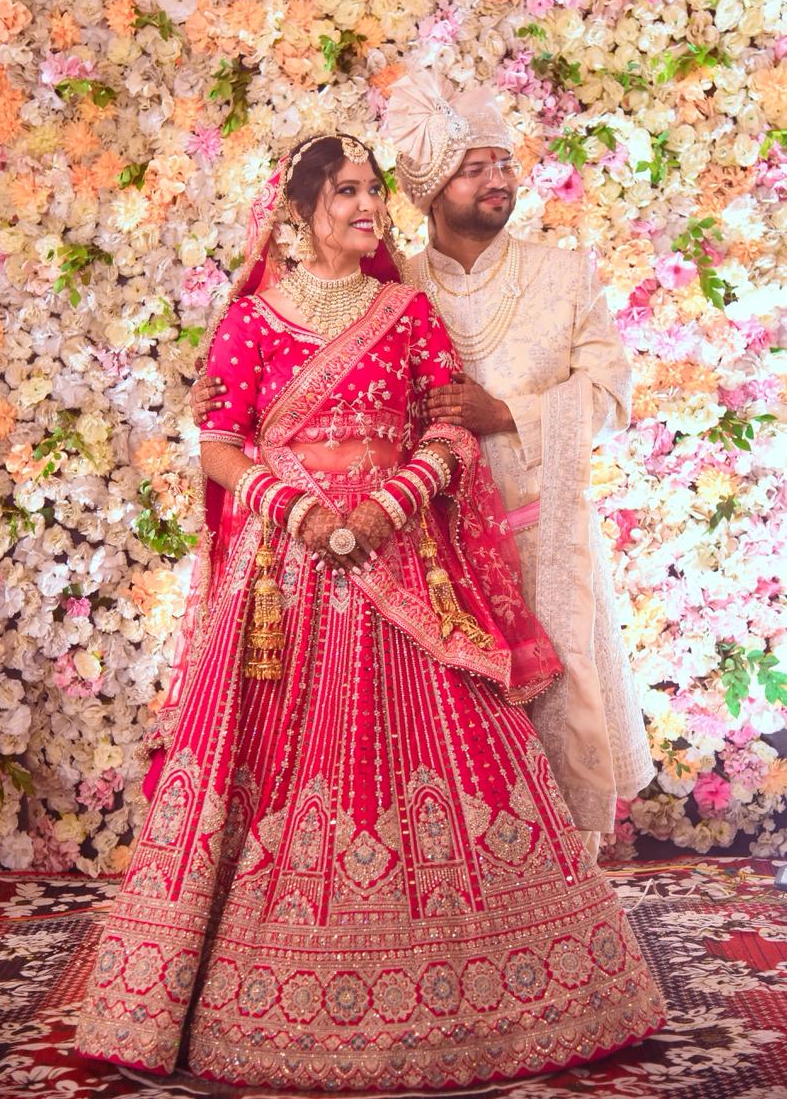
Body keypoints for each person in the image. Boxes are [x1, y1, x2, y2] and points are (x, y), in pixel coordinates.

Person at [76, 135, 665, 1091]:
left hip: (403, 566)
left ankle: (488, 996)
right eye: (346, 192)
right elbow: (219, 443)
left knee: (458, 742)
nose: (366, 208)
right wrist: (296, 510)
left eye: (373, 192)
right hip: (287, 578)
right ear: (298, 211)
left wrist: (394, 502)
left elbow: (447, 428)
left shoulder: (405, 311)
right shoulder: (252, 321)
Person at [192, 75, 655, 859]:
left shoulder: (555, 275)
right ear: (432, 188)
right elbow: (279, 388)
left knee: (548, 706)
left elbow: (612, 399)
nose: (498, 179)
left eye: (503, 164)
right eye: (475, 168)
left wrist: (503, 414)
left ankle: (556, 875)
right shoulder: (393, 282)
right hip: (414, 540)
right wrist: (213, 401)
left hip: (531, 526)